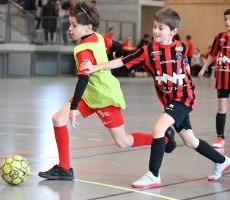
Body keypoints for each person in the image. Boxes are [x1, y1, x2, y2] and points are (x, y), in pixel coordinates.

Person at [80, 7, 230, 188]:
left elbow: (185, 66)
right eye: (154, 27)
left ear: (173, 32)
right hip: (169, 101)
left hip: (184, 97)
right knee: (190, 141)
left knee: (158, 129)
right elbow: (122, 61)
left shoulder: (180, 47)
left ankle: (153, 175)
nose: (155, 31)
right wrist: (95, 67)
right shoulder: (148, 51)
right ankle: (222, 161)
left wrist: (188, 75)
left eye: (161, 28)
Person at [38, 2, 176, 181]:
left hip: (104, 96)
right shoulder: (98, 37)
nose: (70, 29)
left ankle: (165, 140)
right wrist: (115, 56)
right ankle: (65, 168)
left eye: (74, 25)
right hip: (90, 95)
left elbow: (83, 78)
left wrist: (73, 107)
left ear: (88, 27)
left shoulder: (84, 50)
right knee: (58, 119)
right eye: (70, 24)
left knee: (123, 141)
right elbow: (118, 45)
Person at [198, 9, 230, 149]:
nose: (227, 22)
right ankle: (220, 137)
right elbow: (212, 55)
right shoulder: (219, 37)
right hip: (223, 78)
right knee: (222, 107)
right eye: (225, 19)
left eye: (229, 19)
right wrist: (203, 68)